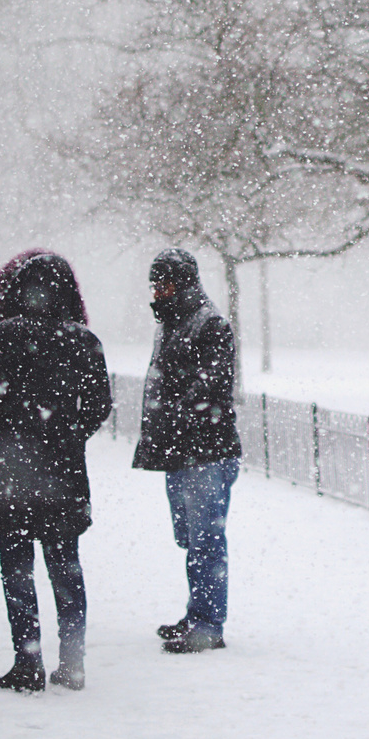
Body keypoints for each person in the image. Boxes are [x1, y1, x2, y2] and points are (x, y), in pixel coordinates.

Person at [0, 251, 112, 692]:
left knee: (16, 568)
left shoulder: (4, 337)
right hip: (63, 472)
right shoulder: (83, 341)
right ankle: (72, 662)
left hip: (12, 470)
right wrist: (68, 437)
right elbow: (99, 406)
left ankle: (27, 662)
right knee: (65, 564)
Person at [132, 248, 241, 655]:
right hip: (183, 450)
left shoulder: (209, 324)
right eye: (155, 284)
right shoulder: (175, 322)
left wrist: (174, 419)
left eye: (166, 283)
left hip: (205, 451)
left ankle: (208, 624)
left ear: (183, 283)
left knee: (205, 539)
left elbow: (211, 386)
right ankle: (199, 613)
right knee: (191, 536)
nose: (159, 291)